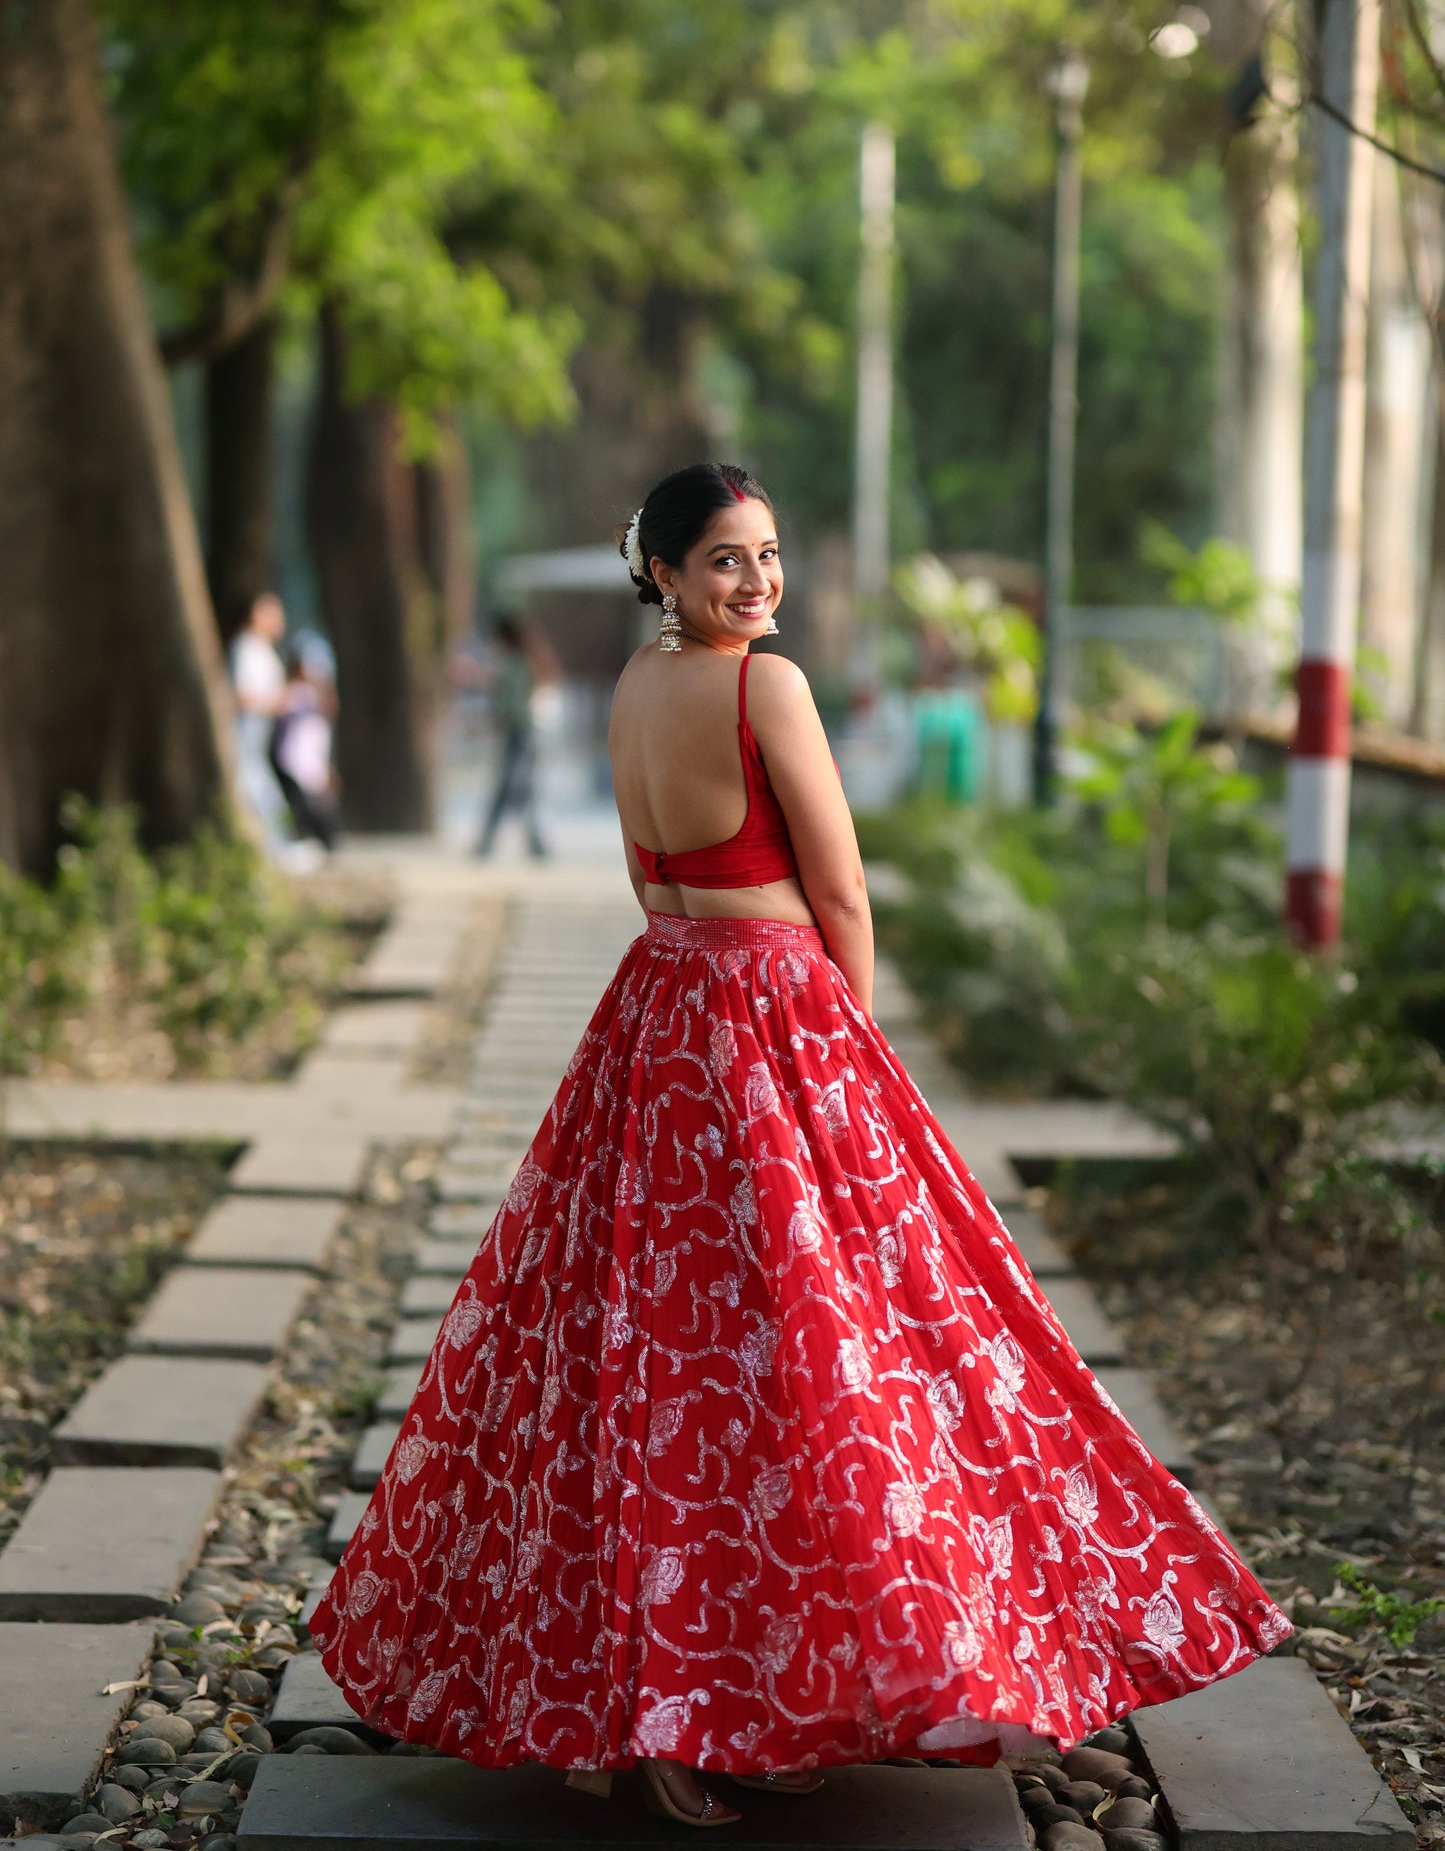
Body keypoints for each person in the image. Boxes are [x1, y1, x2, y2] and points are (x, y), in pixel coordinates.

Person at [311, 463, 1290, 1825]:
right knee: (827, 1348)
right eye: (724, 560)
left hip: (656, 1012)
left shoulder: (633, 691)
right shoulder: (763, 686)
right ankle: (785, 1685)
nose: (755, 582)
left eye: (764, 556)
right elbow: (836, 885)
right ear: (658, 569)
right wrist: (855, 1057)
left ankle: (650, 1702)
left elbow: (651, 875)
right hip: (770, 1019)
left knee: (648, 1356)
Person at [474, 612, 550, 860]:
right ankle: (532, 845)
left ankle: (490, 843)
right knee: (519, 791)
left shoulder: (513, 664)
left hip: (519, 734)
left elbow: (511, 705)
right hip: (519, 734)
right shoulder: (517, 662)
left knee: (514, 789)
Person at [228, 591, 287, 839]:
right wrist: (276, 700)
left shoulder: (263, 649)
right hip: (246, 732)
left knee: (259, 781)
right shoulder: (246, 648)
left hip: (260, 734)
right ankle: (272, 844)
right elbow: (241, 695)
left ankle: (277, 842)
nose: (280, 619)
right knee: (250, 783)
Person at [269, 649, 339, 852]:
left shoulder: (314, 698)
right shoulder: (299, 693)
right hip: (293, 763)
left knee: (320, 814)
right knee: (301, 812)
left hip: (311, 766)